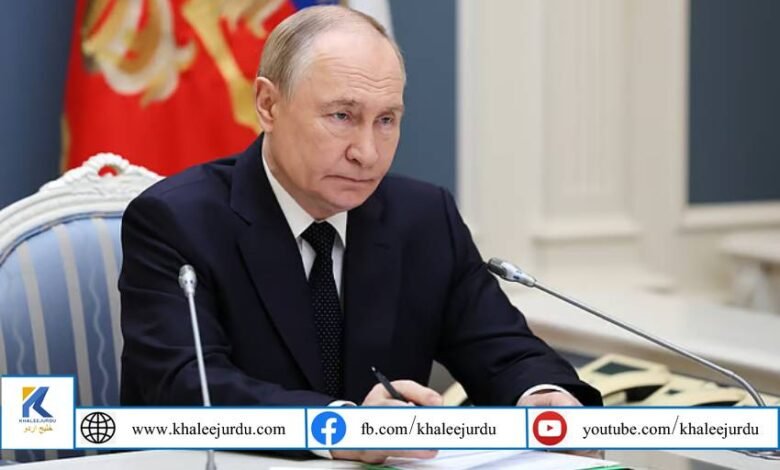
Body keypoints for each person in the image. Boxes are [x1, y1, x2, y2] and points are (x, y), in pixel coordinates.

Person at [119, 5, 601, 463]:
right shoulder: (176, 221)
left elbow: (504, 351)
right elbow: (187, 387)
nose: (367, 153)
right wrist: (342, 428)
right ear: (268, 105)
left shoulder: (424, 218)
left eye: (386, 120)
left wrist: (543, 397)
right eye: (342, 116)